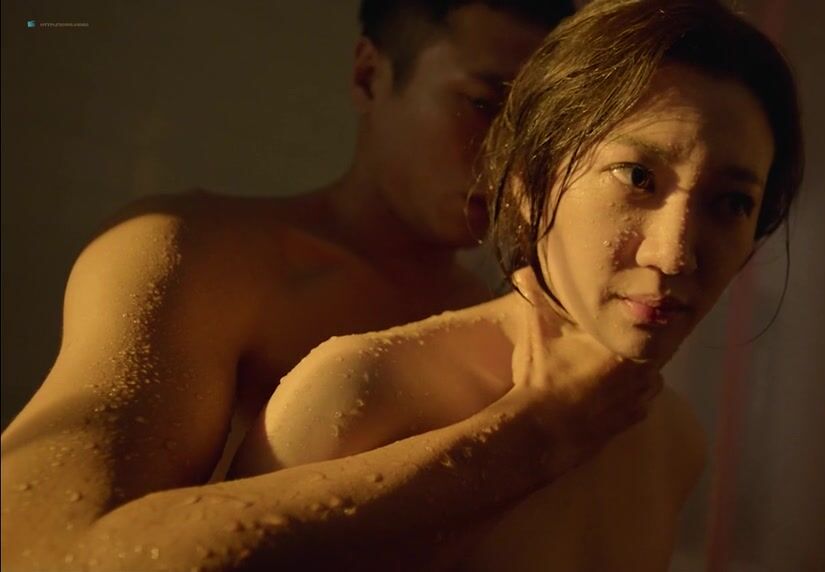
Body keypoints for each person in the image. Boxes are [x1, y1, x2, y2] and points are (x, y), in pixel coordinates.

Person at [0, 1, 577, 569]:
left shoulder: (524, 330)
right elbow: (39, 548)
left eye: (541, 126)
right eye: (482, 105)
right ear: (368, 76)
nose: (514, 159)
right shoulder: (201, 256)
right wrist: (524, 443)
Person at [229, 0, 805, 569]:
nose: (675, 254)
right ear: (529, 181)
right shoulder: (357, 392)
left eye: (732, 203)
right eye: (636, 177)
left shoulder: (675, 442)